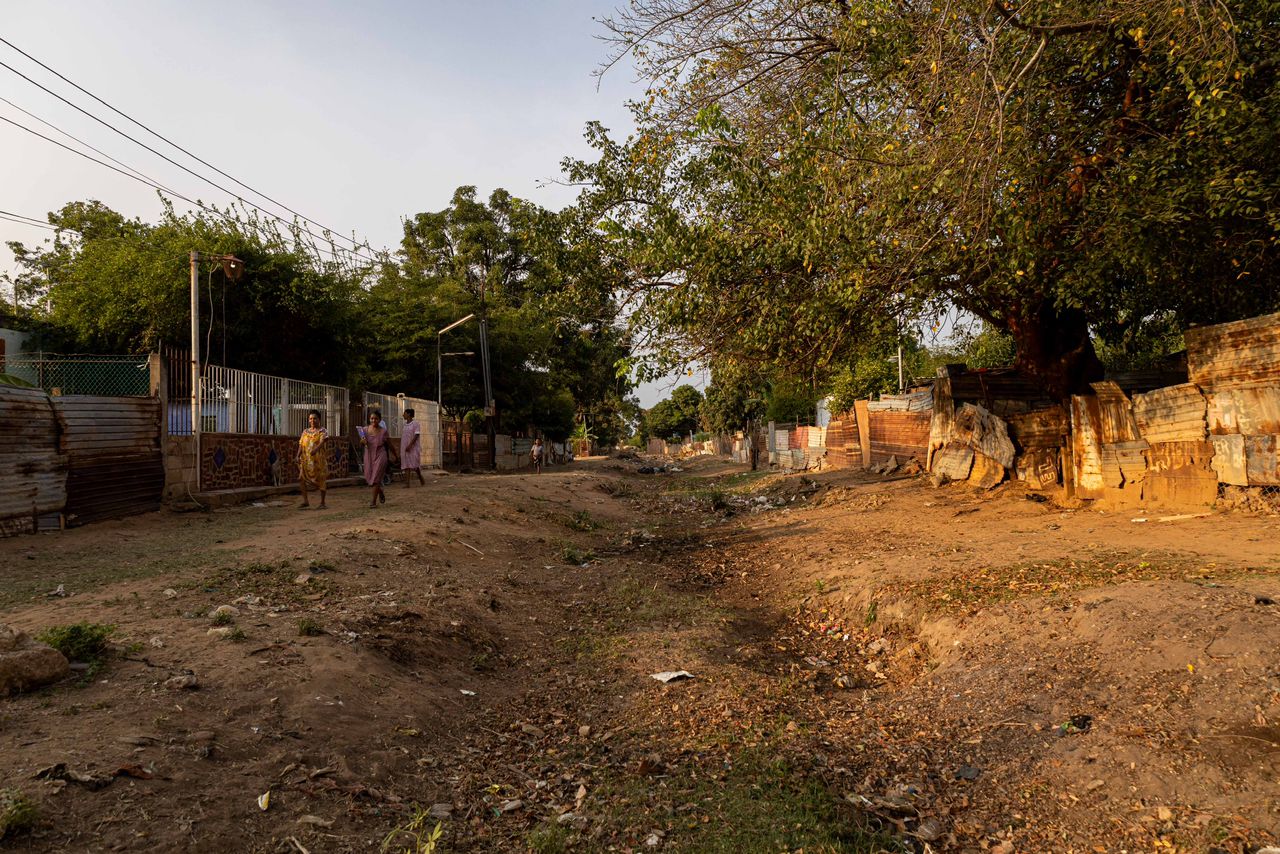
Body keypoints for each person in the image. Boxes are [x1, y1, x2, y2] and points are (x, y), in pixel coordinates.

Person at [360, 409, 391, 507]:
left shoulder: (383, 431)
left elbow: (389, 444)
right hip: (369, 456)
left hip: (381, 455)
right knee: (370, 478)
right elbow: (361, 442)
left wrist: (395, 455)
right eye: (372, 418)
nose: (374, 420)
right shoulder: (364, 430)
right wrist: (362, 442)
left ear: (380, 420)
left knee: (376, 478)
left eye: (376, 419)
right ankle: (380, 490)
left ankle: (373, 502)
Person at [297, 410, 328, 509]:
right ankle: (305, 501)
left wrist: (316, 449)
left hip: (318, 461)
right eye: (310, 418)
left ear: (319, 419)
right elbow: (301, 444)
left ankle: (322, 503)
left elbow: (323, 442)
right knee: (301, 478)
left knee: (321, 480)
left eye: (314, 418)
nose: (312, 420)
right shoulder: (305, 432)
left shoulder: (323, 431)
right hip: (306, 460)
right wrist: (297, 455)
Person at [400, 408, 425, 487]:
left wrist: (410, 445)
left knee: (415, 464)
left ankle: (420, 477)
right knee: (406, 464)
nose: (403, 415)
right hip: (405, 447)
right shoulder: (404, 424)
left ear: (409, 414)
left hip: (413, 447)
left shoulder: (415, 423)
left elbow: (416, 435)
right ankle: (407, 483)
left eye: (404, 413)